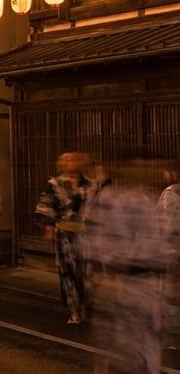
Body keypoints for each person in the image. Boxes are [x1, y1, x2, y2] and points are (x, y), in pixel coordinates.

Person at [87, 156, 166, 373]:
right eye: (135, 165)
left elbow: (158, 248)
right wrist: (108, 279)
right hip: (121, 281)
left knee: (148, 350)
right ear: (122, 169)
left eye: (145, 166)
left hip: (147, 285)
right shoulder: (109, 200)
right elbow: (99, 244)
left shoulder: (149, 200)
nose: (140, 171)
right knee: (119, 351)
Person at [34, 152, 94, 325]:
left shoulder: (90, 184)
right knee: (68, 272)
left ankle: (85, 305)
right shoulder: (54, 184)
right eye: (66, 160)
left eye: (74, 159)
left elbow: (98, 207)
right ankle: (74, 309)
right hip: (65, 235)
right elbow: (45, 206)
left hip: (87, 235)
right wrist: (48, 227)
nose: (70, 162)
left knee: (87, 273)